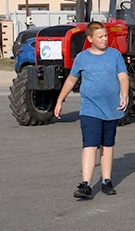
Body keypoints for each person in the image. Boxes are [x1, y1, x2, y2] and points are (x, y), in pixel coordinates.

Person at [54, 21, 129, 199]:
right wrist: (59, 100)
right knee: (90, 144)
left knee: (107, 145)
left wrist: (124, 94)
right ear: (90, 39)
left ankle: (106, 181)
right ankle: (86, 184)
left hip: (112, 108)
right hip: (90, 109)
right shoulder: (82, 57)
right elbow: (71, 81)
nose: (105, 39)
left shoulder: (115, 55)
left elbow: (123, 77)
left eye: (106, 36)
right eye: (100, 37)